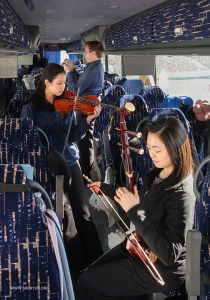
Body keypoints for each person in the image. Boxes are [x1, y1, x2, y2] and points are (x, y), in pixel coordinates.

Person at [75, 116, 196, 300]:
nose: (151, 154)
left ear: (176, 149)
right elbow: (138, 200)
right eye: (148, 148)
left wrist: (135, 210)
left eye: (157, 149)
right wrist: (107, 189)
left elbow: (169, 254)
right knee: (88, 273)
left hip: (160, 268)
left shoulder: (183, 195)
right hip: (141, 247)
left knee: (87, 283)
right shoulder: (157, 173)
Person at [20, 63, 104, 280]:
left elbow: (73, 136)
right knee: (62, 214)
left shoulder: (67, 104)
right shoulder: (30, 108)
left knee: (82, 211)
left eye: (64, 83)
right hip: (46, 164)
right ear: (46, 83)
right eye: (59, 83)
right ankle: (74, 265)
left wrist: (86, 121)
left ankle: (97, 260)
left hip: (69, 160)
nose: (63, 87)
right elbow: (28, 142)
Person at [63, 41, 105, 179]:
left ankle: (85, 175)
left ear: (93, 53)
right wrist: (73, 69)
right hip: (86, 105)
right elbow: (81, 81)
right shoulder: (92, 67)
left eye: (86, 51)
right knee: (84, 140)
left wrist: (69, 73)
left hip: (87, 107)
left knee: (85, 142)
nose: (84, 54)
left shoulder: (93, 70)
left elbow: (76, 91)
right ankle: (85, 171)